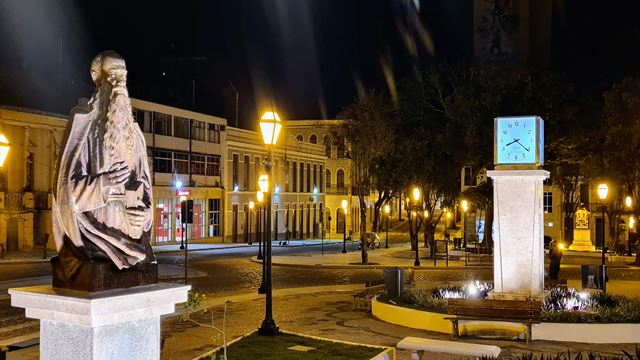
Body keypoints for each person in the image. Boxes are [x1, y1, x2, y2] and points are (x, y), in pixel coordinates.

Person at [53, 51, 155, 281]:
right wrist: (105, 183)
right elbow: (65, 192)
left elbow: (145, 185)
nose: (120, 81)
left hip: (131, 236)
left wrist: (145, 213)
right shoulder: (83, 126)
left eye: (123, 75)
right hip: (95, 237)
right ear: (96, 76)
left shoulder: (135, 134)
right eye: (113, 74)